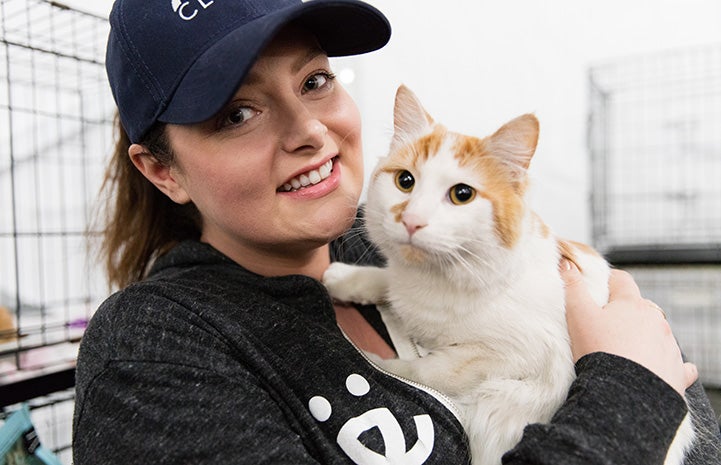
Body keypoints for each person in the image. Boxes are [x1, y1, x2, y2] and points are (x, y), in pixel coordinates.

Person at [72, 0, 721, 463]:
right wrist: (627, 386)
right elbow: (643, 381)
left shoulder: (395, 240)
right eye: (238, 112)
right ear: (161, 170)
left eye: (315, 79)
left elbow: (681, 400)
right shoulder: (153, 351)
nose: (311, 131)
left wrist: (639, 368)